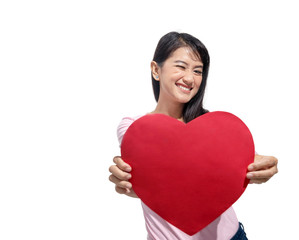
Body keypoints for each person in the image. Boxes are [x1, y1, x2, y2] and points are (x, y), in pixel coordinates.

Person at [109, 32, 278, 240]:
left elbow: (244, 164)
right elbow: (160, 181)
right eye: (181, 66)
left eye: (198, 71)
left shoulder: (216, 127)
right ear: (156, 70)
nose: (189, 78)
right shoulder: (133, 127)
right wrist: (132, 186)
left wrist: (261, 168)